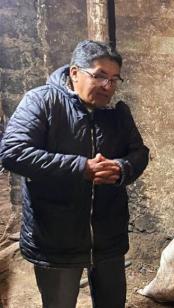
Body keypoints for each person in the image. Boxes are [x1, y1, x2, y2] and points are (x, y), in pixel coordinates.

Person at [0, 40, 149, 308]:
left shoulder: (117, 114)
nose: (108, 86)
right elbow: (13, 152)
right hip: (57, 238)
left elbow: (139, 154)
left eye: (115, 79)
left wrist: (121, 169)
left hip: (108, 237)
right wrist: (81, 168)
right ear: (74, 72)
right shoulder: (42, 102)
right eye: (100, 76)